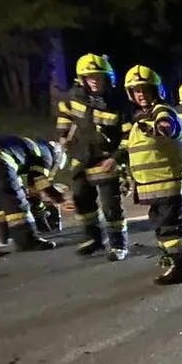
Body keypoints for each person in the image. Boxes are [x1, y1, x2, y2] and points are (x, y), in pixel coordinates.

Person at [117, 65, 182, 285]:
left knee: (169, 227)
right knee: (164, 225)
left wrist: (161, 127)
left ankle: (180, 266)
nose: (140, 93)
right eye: (136, 90)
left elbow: (167, 125)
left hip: (170, 184)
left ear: (154, 90)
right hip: (159, 186)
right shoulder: (138, 119)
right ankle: (175, 258)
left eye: (144, 88)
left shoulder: (163, 111)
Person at [56, 53, 133, 261]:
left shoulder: (117, 104)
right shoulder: (73, 97)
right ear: (82, 79)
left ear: (107, 79)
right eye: (90, 77)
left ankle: (118, 245)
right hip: (80, 159)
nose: (95, 81)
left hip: (106, 160)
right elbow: (64, 115)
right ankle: (93, 239)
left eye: (99, 77)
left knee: (111, 206)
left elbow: (128, 137)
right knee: (82, 201)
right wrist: (62, 136)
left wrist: (116, 158)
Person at [0, 135, 66, 251]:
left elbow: (32, 186)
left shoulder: (34, 147)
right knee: (14, 197)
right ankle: (27, 241)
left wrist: (38, 203)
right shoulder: (47, 154)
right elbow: (39, 182)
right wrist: (58, 197)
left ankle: (5, 233)